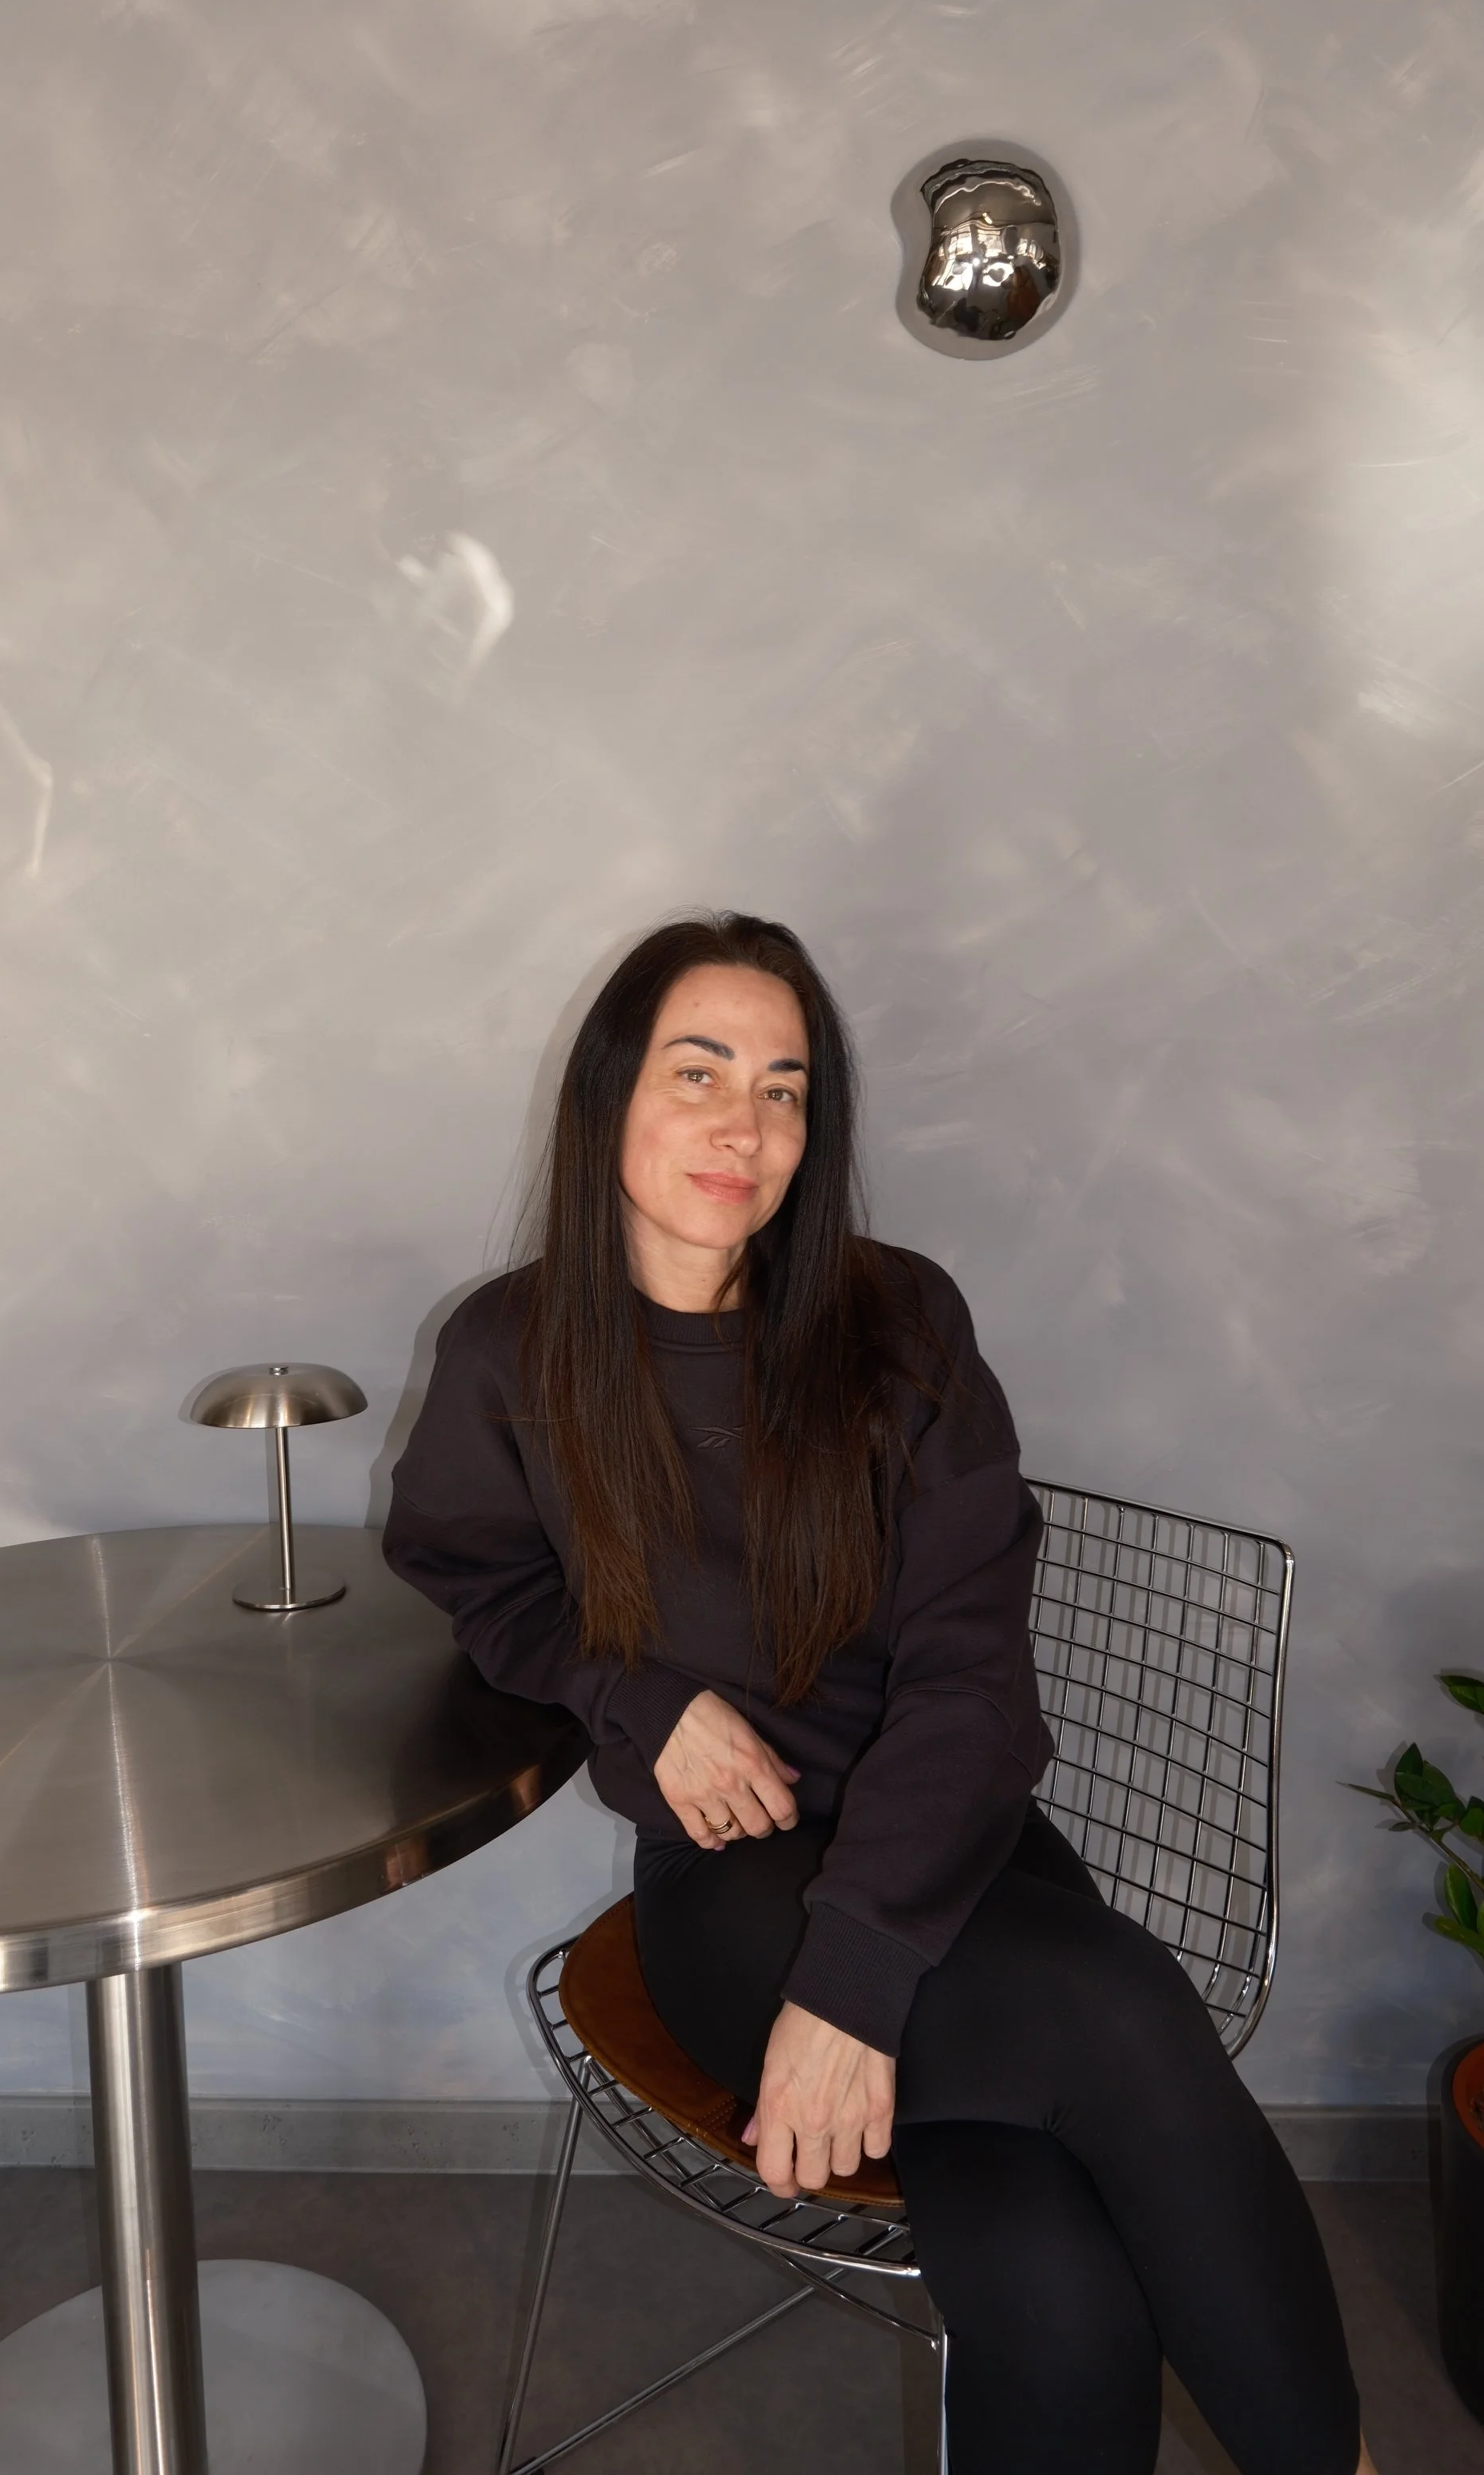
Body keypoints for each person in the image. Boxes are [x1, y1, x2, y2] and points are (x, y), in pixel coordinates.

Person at [383, 913, 1374, 2475]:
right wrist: (628, 1695)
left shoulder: (900, 1325)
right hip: (730, 1898)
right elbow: (467, 1571)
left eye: (784, 1089)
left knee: (1057, 2290)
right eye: (698, 1070)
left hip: (953, 1855)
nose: (743, 1121)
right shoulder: (510, 1354)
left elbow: (973, 1682)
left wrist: (854, 1990)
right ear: (605, 1100)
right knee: (1119, 2015)